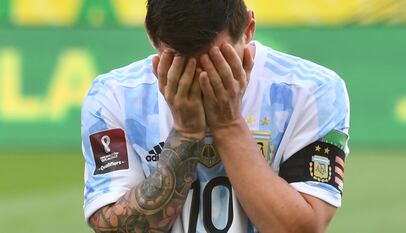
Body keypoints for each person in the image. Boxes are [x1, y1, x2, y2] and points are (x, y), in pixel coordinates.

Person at [81, 0, 350, 232]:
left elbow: (302, 229)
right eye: (179, 62)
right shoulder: (115, 95)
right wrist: (185, 134)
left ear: (248, 29)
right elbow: (115, 228)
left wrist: (228, 124)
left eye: (217, 60)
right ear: (152, 36)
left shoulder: (311, 91)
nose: (201, 79)